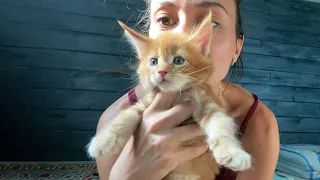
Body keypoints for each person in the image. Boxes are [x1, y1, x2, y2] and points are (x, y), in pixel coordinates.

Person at [94, 0, 280, 179]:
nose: (181, 34)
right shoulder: (113, 120)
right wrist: (128, 175)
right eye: (165, 20)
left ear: (237, 48)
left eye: (211, 21)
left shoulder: (259, 123)